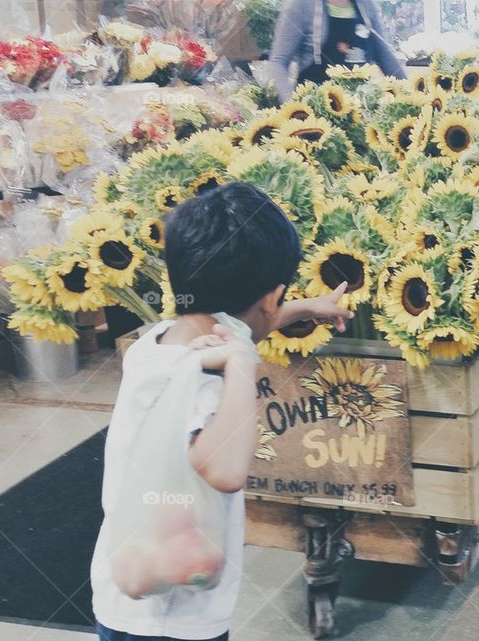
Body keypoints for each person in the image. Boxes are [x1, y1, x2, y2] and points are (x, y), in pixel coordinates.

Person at [90, 182, 353, 641]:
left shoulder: (158, 341)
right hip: (173, 612)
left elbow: (242, 321)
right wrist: (240, 367)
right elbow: (225, 470)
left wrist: (305, 309)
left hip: (127, 585)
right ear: (269, 296)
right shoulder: (209, 375)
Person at [267, 0, 406, 102]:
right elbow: (279, 61)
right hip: (314, 115)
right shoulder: (301, 6)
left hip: (361, 112)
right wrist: (291, 106)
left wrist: (409, 94)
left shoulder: (367, 6)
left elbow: (385, 56)